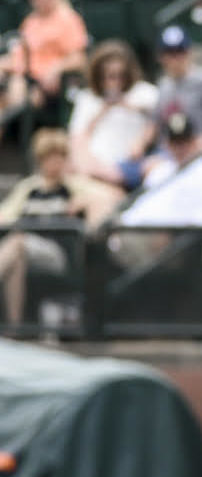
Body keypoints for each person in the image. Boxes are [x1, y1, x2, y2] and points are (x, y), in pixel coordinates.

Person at [0, 128, 121, 331]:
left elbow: (114, 197)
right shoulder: (29, 188)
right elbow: (4, 215)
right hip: (27, 251)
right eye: (50, 157)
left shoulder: (73, 186)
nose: (55, 163)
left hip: (60, 254)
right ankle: (15, 327)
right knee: (16, 253)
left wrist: (85, 201)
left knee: (16, 242)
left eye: (59, 157)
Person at [108, 112, 202, 270]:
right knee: (103, 227)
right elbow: (141, 209)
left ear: (195, 140)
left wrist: (173, 232)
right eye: (175, 142)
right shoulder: (161, 170)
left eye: (185, 141)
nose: (180, 148)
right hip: (143, 233)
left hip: (181, 243)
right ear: (167, 144)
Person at [68, 39, 159, 190]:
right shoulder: (87, 98)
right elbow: (77, 140)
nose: (114, 81)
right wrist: (104, 110)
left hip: (133, 168)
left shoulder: (145, 92)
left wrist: (127, 106)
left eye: (120, 75)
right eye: (108, 76)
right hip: (96, 172)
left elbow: (157, 121)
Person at [0, 0, 88, 119]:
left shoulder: (68, 19)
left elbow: (79, 58)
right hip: (22, 79)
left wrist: (57, 68)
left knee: (17, 95)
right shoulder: (30, 21)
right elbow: (19, 55)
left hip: (47, 87)